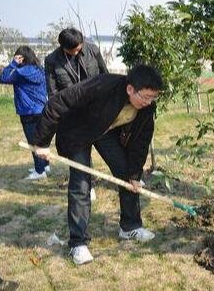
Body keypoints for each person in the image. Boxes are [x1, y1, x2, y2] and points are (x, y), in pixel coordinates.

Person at [32, 65, 163, 265]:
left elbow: (140, 143)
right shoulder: (103, 85)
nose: (148, 102)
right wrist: (41, 142)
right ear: (130, 89)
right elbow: (59, 101)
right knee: (81, 183)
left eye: (153, 97)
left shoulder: (147, 109)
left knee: (126, 175)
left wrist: (135, 175)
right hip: (78, 131)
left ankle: (130, 227)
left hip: (104, 131)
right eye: (145, 96)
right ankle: (78, 243)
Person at [44, 27, 109, 200]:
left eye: (80, 47)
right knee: (79, 155)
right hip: (72, 116)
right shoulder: (52, 60)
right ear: (64, 48)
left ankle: (131, 178)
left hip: (96, 112)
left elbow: (105, 75)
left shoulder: (92, 50)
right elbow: (53, 93)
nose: (78, 51)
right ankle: (87, 185)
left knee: (110, 148)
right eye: (74, 50)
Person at [0, 46, 50, 180]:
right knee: (42, 139)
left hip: (28, 111)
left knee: (33, 142)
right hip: (42, 109)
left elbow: (2, 78)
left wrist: (13, 63)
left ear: (21, 58)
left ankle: (40, 172)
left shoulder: (20, 73)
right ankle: (45, 165)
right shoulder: (40, 70)